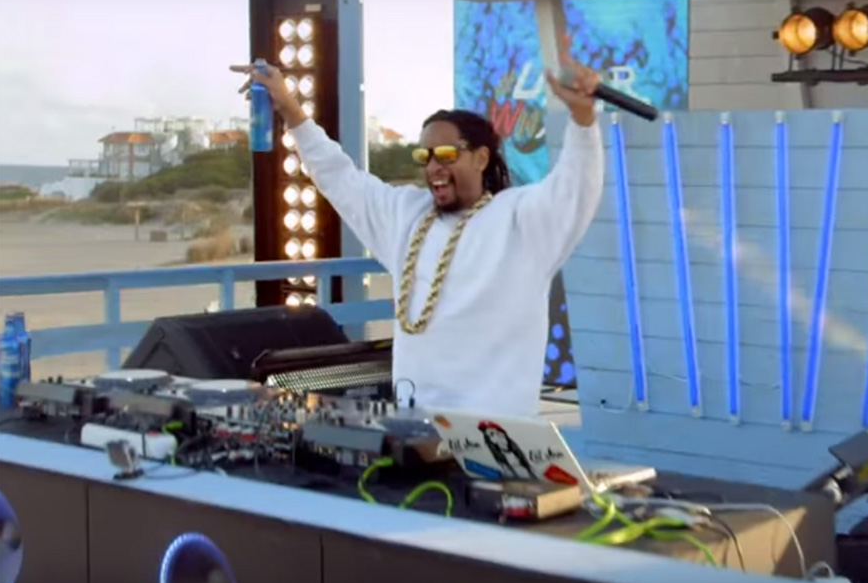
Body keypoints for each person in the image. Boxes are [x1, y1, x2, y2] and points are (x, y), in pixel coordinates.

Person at [230, 39, 604, 417]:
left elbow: (575, 187)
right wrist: (290, 108)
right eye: (424, 156)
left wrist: (582, 119)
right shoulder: (406, 215)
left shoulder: (520, 221)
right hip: (416, 426)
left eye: (447, 155)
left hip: (497, 431)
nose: (434, 167)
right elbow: (338, 175)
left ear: (481, 158)